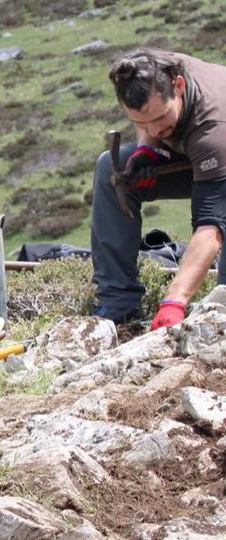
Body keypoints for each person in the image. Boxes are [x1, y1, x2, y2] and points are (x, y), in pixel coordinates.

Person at [90, 48, 226, 329]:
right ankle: (119, 304)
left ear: (179, 87)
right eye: (141, 122)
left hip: (217, 149)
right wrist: (146, 150)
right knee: (111, 169)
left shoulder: (213, 125)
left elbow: (210, 227)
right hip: (198, 153)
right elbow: (150, 121)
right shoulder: (146, 71)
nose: (152, 130)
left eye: (160, 118)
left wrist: (174, 301)